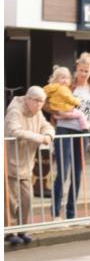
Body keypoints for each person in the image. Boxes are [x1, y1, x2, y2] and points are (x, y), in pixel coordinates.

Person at [46, 52, 90, 221]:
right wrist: (56, 112)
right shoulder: (67, 86)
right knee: (63, 171)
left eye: (87, 70)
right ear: (76, 68)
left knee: (77, 173)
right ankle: (55, 213)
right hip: (64, 129)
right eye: (81, 70)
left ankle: (71, 213)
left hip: (83, 132)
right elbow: (45, 101)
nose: (83, 73)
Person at [4, 86, 54, 244]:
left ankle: (22, 229)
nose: (40, 105)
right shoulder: (15, 111)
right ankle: (9, 232)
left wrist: (48, 134)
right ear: (27, 99)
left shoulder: (37, 113)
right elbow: (14, 131)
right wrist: (39, 138)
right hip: (9, 162)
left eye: (42, 102)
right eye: (37, 101)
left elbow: (47, 126)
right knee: (10, 200)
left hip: (26, 164)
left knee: (27, 199)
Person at [43, 67, 89, 131]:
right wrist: (78, 102)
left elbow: (43, 92)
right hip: (63, 121)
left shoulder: (52, 87)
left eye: (67, 78)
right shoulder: (63, 88)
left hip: (73, 125)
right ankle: (85, 128)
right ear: (56, 79)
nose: (65, 80)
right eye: (62, 78)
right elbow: (69, 99)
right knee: (80, 115)